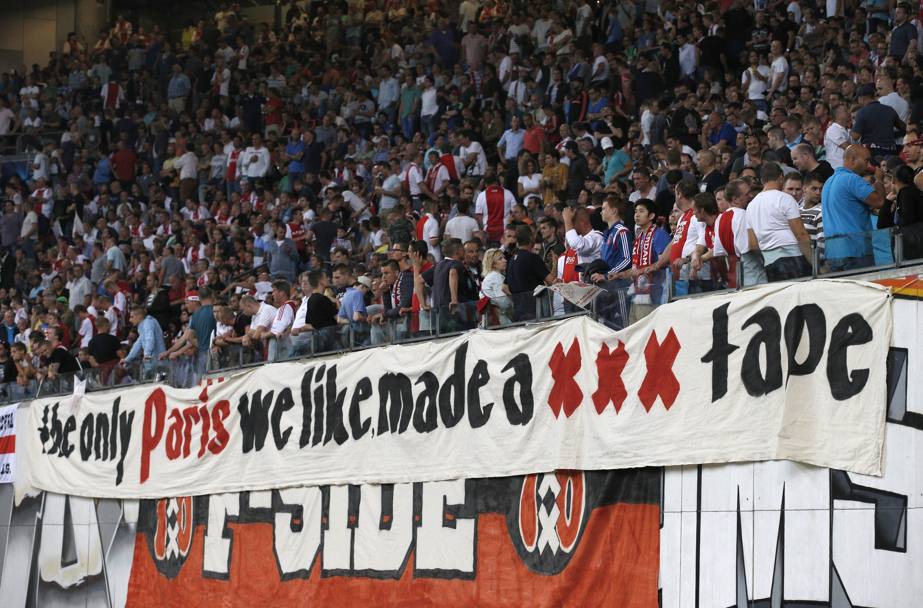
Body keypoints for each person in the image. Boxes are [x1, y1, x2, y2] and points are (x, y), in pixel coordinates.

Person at [821, 145, 886, 270]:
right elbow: (879, 202)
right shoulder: (852, 179)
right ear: (852, 159)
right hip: (855, 250)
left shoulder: (828, 182)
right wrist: (879, 180)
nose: (868, 165)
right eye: (866, 160)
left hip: (833, 252)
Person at [747, 162, 813, 281]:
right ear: (781, 177)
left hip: (769, 263)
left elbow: (752, 244)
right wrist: (814, 263)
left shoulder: (751, 206)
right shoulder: (785, 199)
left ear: (762, 180)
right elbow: (801, 234)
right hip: (793, 259)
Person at [878, 164, 923, 261]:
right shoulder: (910, 194)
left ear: (894, 180)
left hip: (911, 254)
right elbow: (882, 225)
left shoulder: (905, 194)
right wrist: (888, 202)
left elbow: (907, 222)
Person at [121, 305, 166, 379]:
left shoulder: (148, 323)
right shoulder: (142, 326)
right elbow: (138, 344)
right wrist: (127, 359)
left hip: (157, 363)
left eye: (132, 317)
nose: (129, 320)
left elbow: (150, 339)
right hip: (152, 363)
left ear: (139, 316)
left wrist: (147, 355)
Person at [478, 248, 513, 326]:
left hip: (491, 320)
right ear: (492, 263)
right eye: (500, 259)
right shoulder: (496, 277)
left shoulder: (488, 277)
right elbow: (504, 303)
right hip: (500, 319)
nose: (505, 260)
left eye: (504, 257)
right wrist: (512, 298)